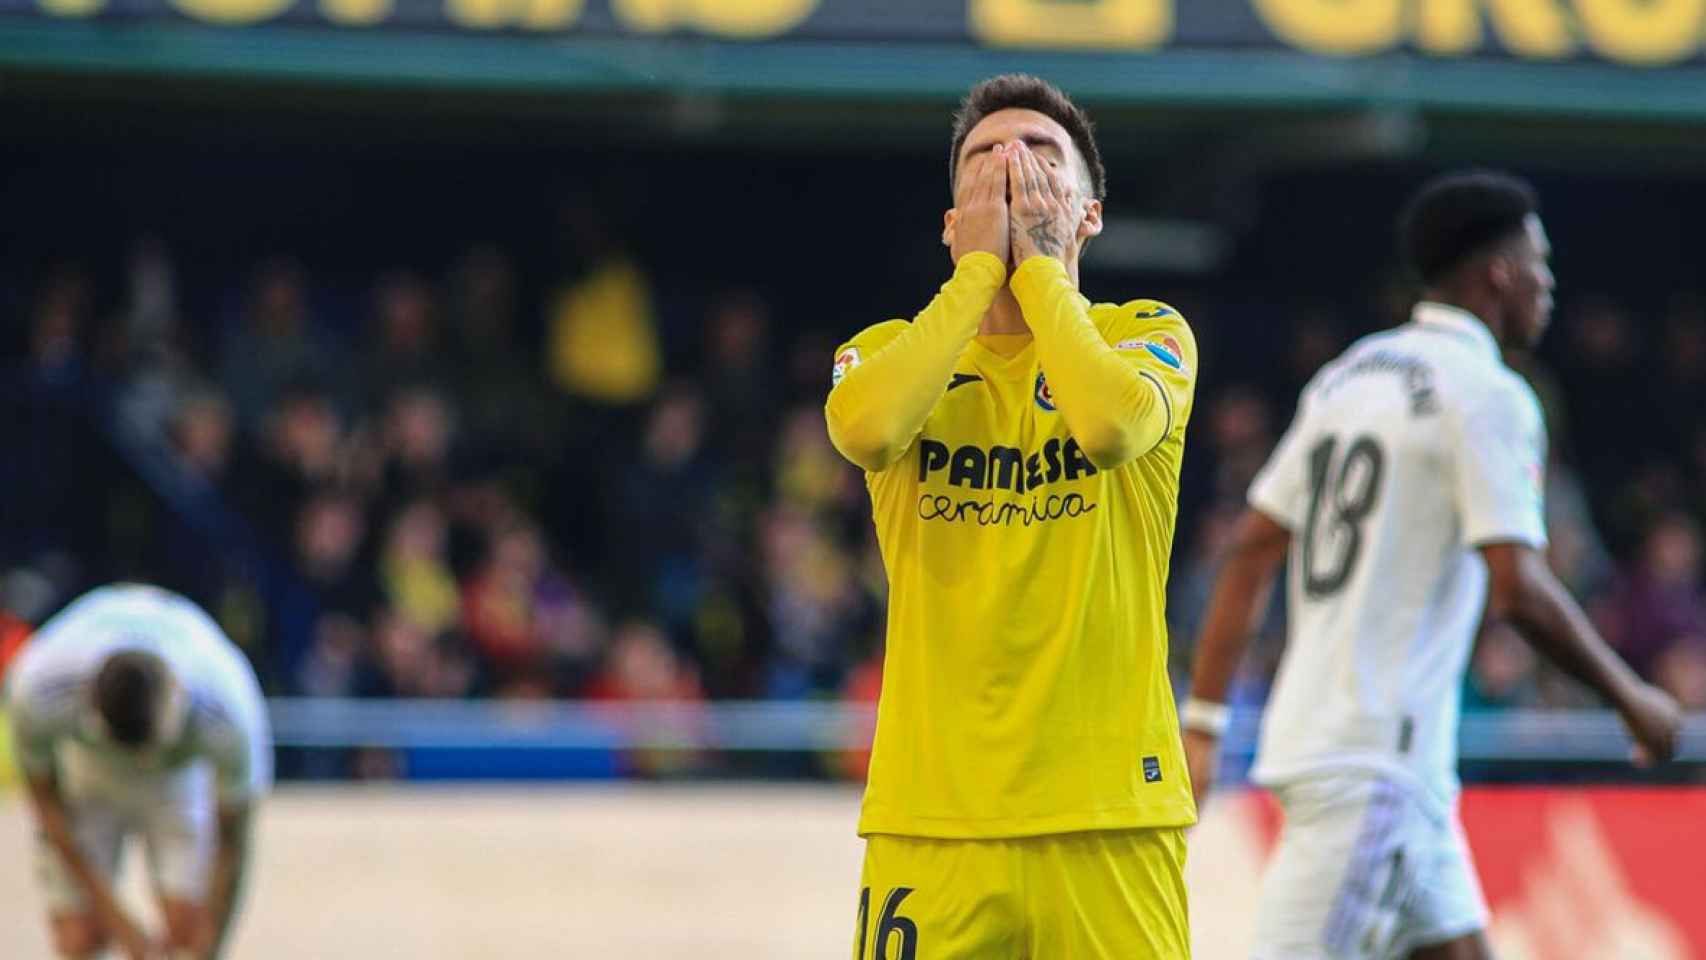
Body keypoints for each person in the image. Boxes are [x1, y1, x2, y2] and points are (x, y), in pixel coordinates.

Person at [1181, 171, 1682, 960]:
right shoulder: (1489, 393)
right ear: (1500, 273)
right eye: (1541, 265)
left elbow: (1250, 547)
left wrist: (1204, 719)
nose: (1549, 287)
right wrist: (1631, 698)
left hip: (1371, 754)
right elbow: (1517, 585)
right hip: (1374, 761)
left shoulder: (1352, 375)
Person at [825, 73, 1198, 958]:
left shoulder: (1147, 332)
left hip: (1110, 817)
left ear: (1090, 212)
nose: (1011, 169)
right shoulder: (884, 353)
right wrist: (981, 274)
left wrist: (1037, 273)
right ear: (951, 220)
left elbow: (1108, 428)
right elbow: (869, 431)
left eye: (1040, 155)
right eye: (985, 159)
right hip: (934, 820)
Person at [6, 584, 271, 960]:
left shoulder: (228, 705)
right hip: (88, 771)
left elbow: (233, 841)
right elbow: (47, 805)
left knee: (189, 930)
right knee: (80, 939)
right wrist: (118, 922)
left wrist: (208, 952)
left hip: (177, 777)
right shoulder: (37, 687)